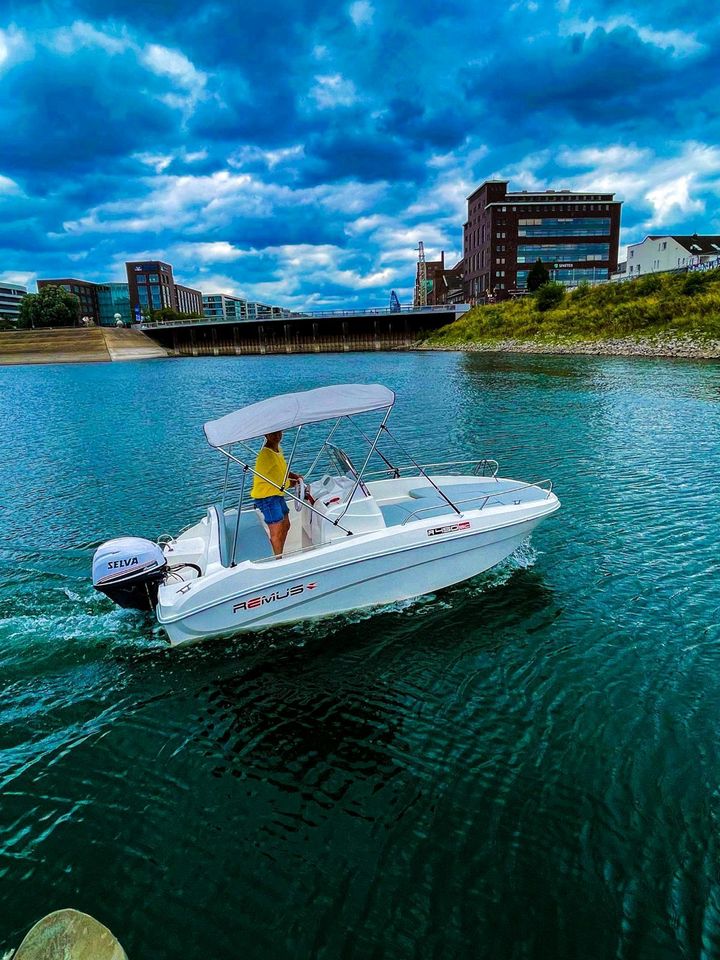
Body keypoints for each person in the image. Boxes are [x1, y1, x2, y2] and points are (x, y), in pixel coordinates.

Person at [251, 431, 302, 556]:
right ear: (266, 436)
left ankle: (278, 554)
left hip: (276, 495)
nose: (277, 436)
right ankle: (277, 561)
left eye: (278, 432)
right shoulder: (266, 455)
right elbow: (279, 481)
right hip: (267, 497)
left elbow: (282, 470)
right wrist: (295, 483)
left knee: (286, 525)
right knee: (276, 533)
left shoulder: (277, 449)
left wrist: (294, 476)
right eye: (272, 434)